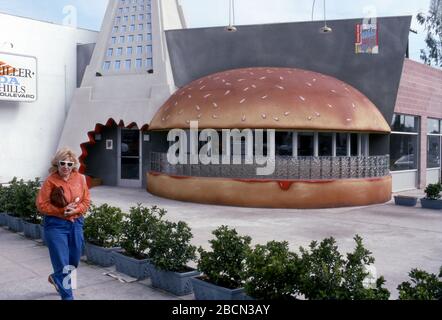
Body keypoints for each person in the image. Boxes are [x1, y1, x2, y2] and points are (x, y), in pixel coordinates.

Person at [36, 147, 90, 300]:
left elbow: (86, 201)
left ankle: (56, 278)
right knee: (62, 264)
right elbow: (41, 204)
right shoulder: (50, 181)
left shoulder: (80, 179)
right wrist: (62, 211)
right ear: (57, 164)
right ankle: (67, 296)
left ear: (74, 165)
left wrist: (76, 210)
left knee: (74, 260)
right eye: (62, 163)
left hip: (76, 222)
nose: (66, 167)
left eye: (69, 163)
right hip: (55, 225)